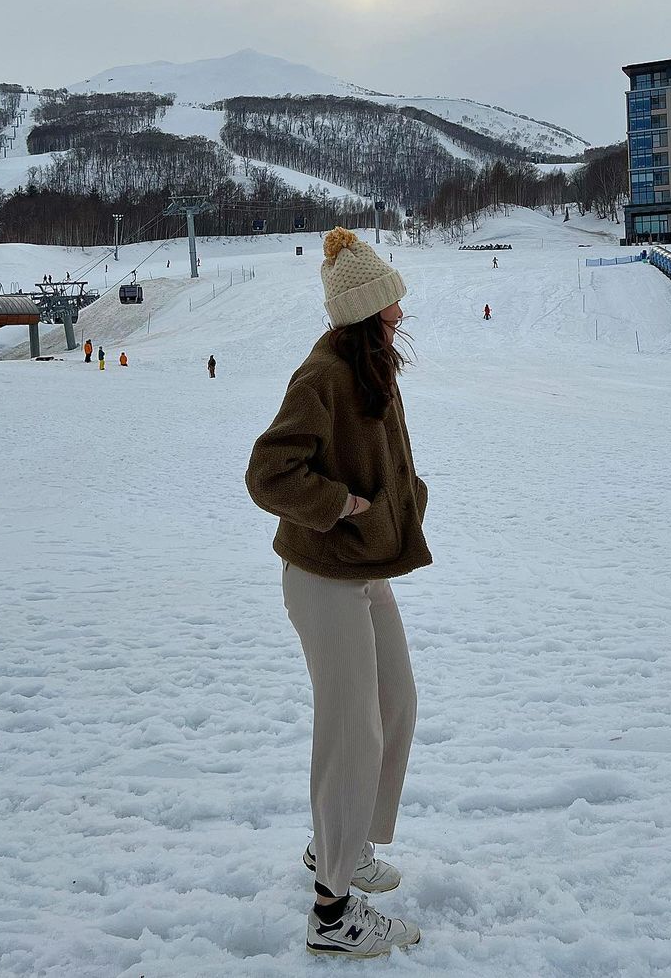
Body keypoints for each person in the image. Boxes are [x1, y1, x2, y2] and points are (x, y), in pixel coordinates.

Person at [245, 227, 429, 959]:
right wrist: (345, 506)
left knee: (395, 704)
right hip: (322, 575)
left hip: (363, 569)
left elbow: (387, 457)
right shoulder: (323, 375)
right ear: (363, 315)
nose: (401, 318)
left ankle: (340, 849)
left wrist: (403, 500)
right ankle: (332, 913)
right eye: (390, 308)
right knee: (354, 729)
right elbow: (269, 474)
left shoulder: (373, 368)